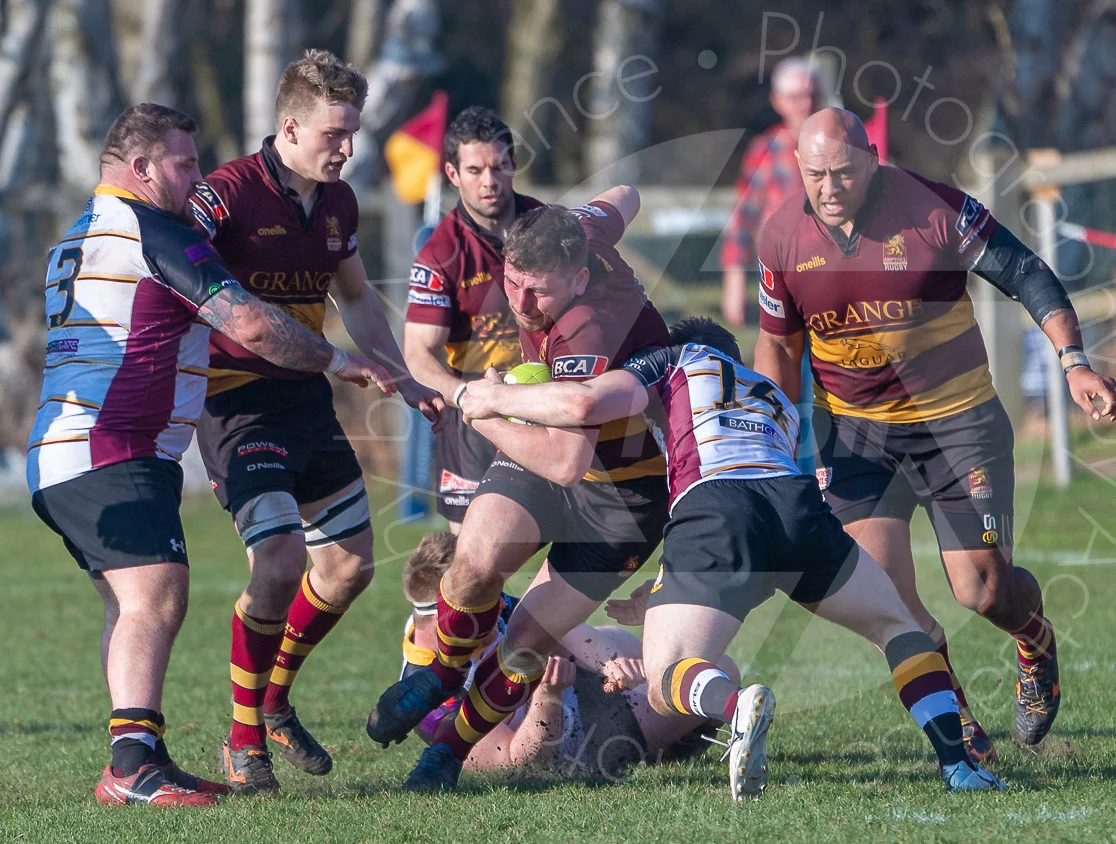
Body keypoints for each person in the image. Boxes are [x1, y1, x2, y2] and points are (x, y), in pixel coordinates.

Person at [460, 317, 1007, 797]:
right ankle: (959, 766)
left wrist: (491, 400)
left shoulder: (673, 360)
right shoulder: (772, 394)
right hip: (796, 506)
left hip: (717, 507)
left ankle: (735, 707)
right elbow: (761, 542)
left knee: (665, 678)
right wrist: (670, 591)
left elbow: (586, 401)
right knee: (898, 626)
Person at [28, 103, 394, 807]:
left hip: (74, 447)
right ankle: (132, 766)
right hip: (109, 445)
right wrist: (337, 360)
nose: (198, 177)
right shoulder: (156, 231)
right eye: (185, 163)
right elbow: (248, 322)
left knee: (130, 602)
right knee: (157, 592)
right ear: (141, 167)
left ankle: (139, 757)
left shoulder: (83, 229)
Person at [753, 108, 1116, 760]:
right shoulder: (782, 236)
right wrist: (772, 439)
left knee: (983, 591)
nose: (830, 187)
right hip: (856, 438)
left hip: (957, 425)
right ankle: (959, 725)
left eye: (843, 172)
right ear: (798, 169)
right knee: (885, 598)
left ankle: (1035, 641)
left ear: (872, 159)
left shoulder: (935, 210)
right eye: (815, 174)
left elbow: (1026, 274)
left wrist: (1073, 362)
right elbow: (780, 348)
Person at [187, 49, 443, 792]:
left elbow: (355, 297)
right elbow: (172, 276)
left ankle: (273, 698)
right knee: (278, 563)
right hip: (236, 403)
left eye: (353, 132)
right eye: (336, 133)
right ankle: (243, 740)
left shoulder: (339, 203)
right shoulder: (225, 195)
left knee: (350, 567)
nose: (348, 148)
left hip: (305, 402)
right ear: (291, 127)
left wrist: (400, 374)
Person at [366, 188, 675, 793]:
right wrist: (580, 213)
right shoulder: (577, 234)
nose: (521, 303)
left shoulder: (588, 327)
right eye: (512, 283)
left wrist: (482, 406)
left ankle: (446, 754)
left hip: (622, 495)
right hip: (551, 445)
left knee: (527, 642)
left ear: (580, 279)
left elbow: (565, 461)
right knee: (473, 564)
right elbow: (628, 193)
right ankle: (443, 673)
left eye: (539, 292)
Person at [394, 532, 734, 778]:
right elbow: (518, 768)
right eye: (487, 601)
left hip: (568, 683)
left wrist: (612, 664)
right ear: (445, 615)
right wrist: (548, 695)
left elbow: (559, 629)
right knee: (717, 672)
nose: (499, 606)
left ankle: (672, 736)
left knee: (690, 664)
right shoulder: (427, 704)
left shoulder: (474, 609)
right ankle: (653, 746)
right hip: (564, 735)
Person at [404, 106, 545, 533]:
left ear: (514, 164)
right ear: (452, 173)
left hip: (547, 406)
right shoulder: (440, 253)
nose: (489, 181)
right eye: (475, 170)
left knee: (577, 545)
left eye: (499, 166)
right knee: (468, 553)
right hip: (474, 421)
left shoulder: (549, 229)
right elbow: (418, 352)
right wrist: (466, 396)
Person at [719, 58, 820, 326]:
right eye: (796, 97)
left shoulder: (837, 146)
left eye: (811, 95)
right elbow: (743, 216)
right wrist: (734, 279)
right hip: (780, 272)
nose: (806, 104)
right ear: (778, 101)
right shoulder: (766, 149)